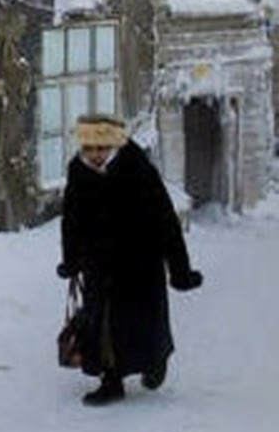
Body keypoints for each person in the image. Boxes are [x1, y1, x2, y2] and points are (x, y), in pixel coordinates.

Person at [57, 113, 203, 406]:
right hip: (99, 264)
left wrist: (180, 270)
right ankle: (111, 381)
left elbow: (165, 219)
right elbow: (71, 219)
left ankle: (155, 363)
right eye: (90, 149)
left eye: (102, 149)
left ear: (114, 145)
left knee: (144, 322)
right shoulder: (78, 171)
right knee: (103, 325)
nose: (96, 156)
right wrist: (71, 259)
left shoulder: (137, 167)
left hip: (140, 262)